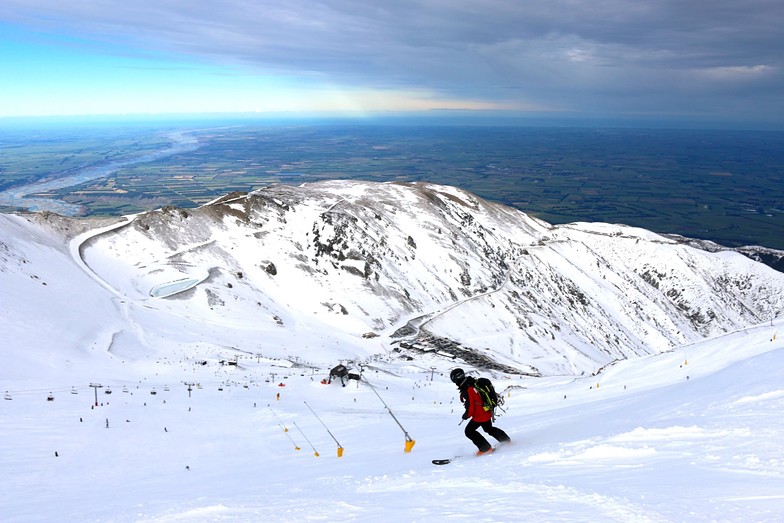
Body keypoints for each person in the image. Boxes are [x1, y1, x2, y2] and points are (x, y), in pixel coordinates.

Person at [450, 368, 510, 455]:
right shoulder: (471, 383)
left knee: (469, 431)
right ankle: (506, 440)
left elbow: (471, 406)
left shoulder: (468, 388)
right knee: (488, 429)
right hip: (486, 411)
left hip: (480, 415)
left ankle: (485, 448)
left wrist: (466, 415)